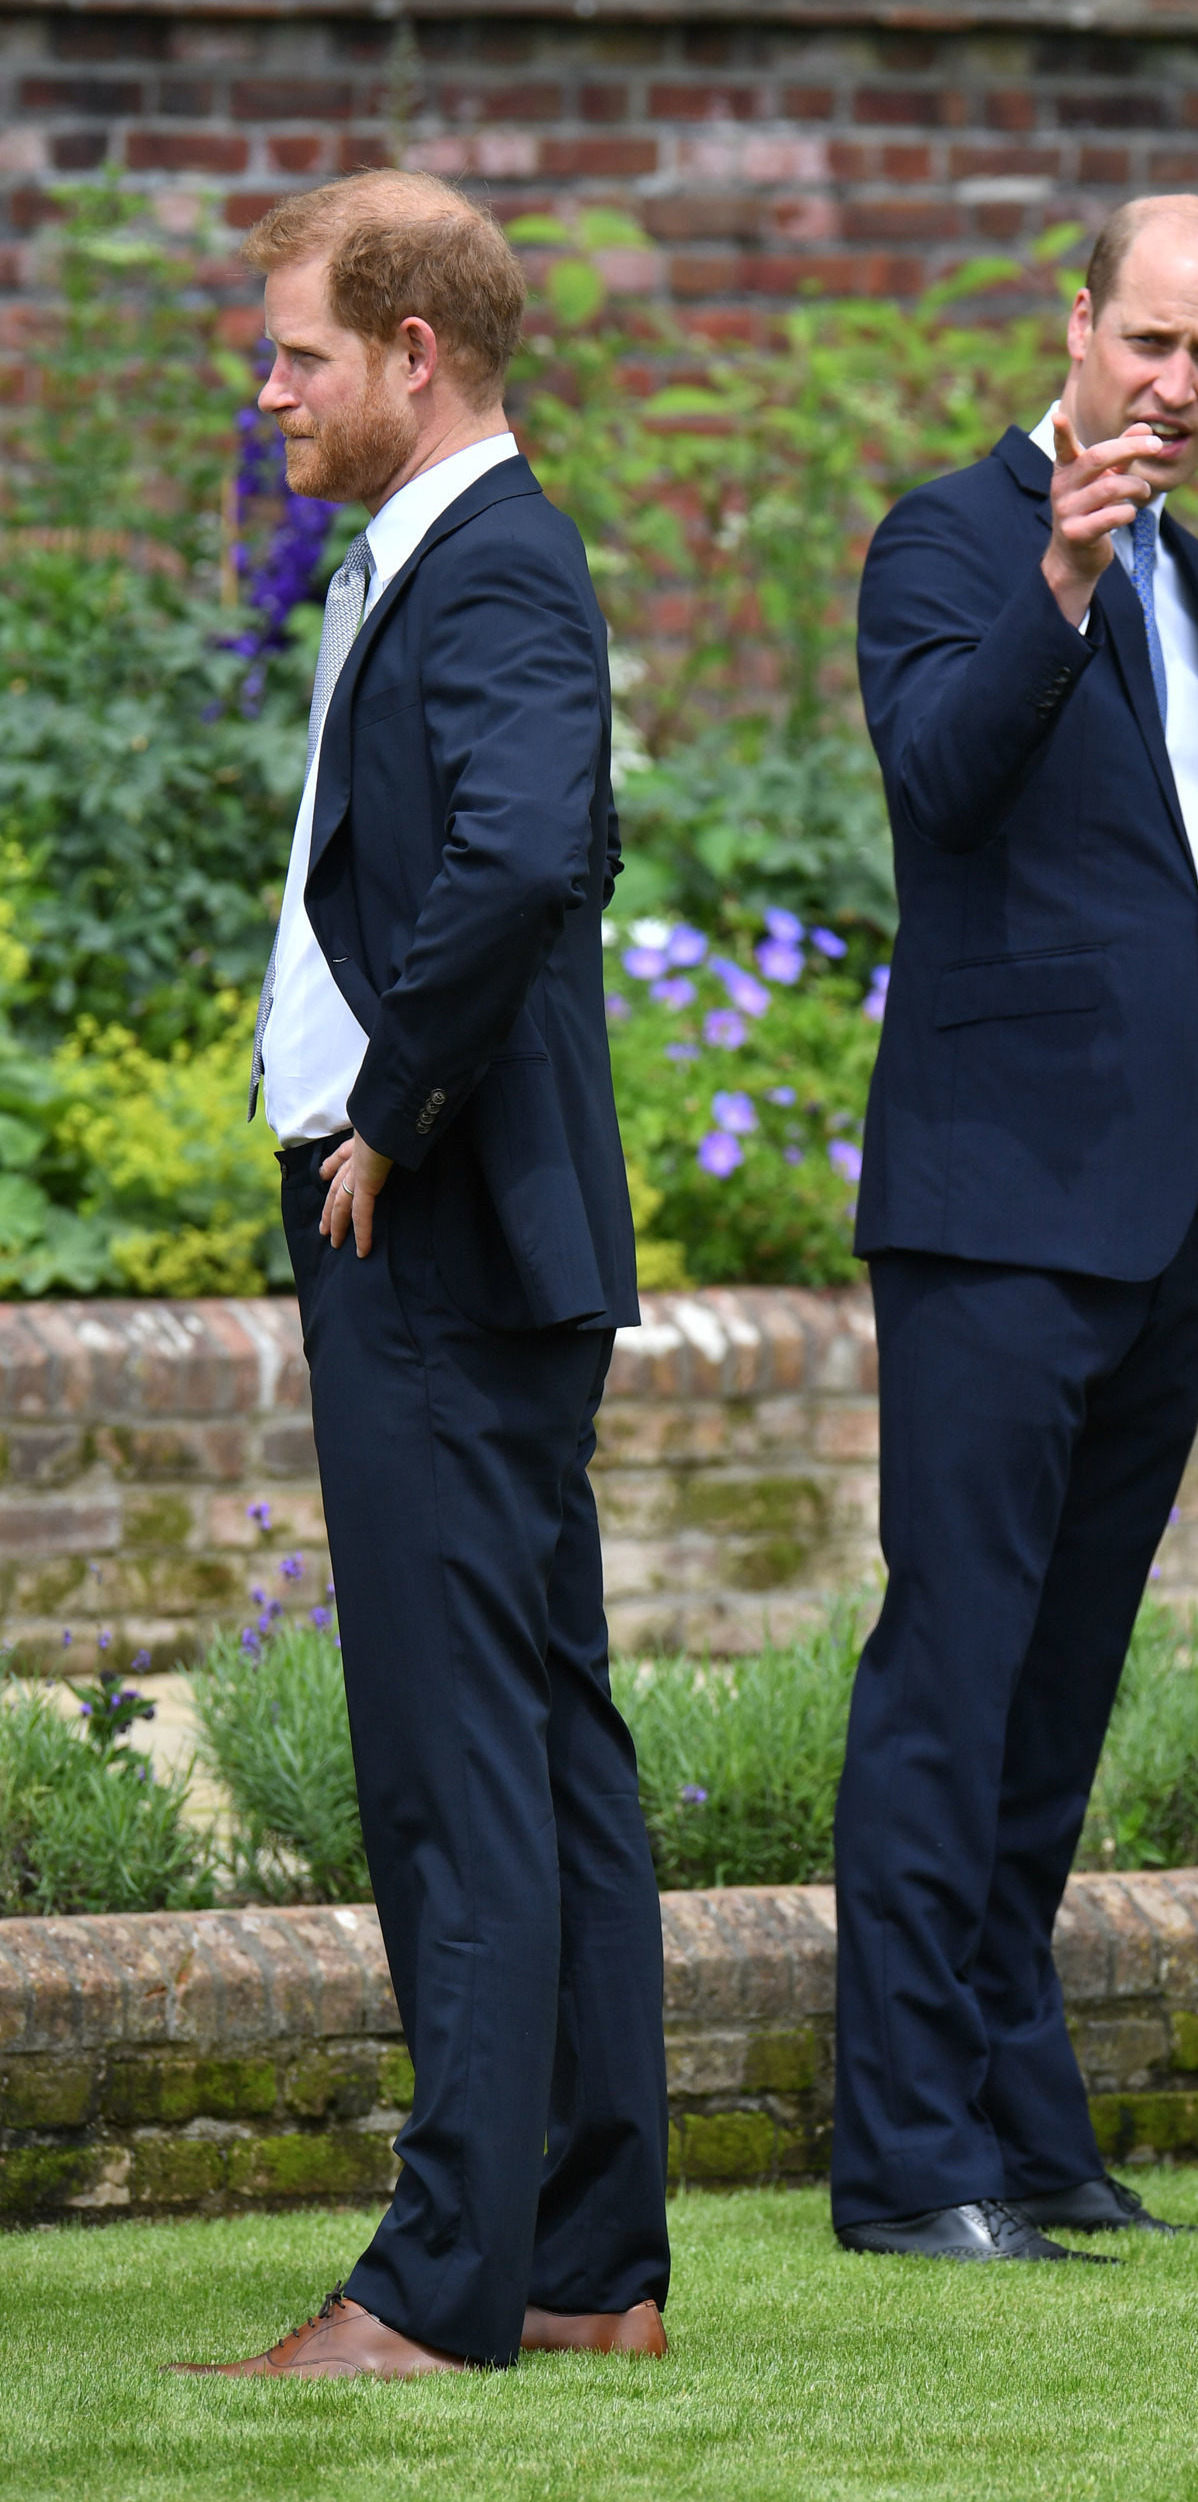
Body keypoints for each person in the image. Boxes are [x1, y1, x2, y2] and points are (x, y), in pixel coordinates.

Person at [171, 169, 671, 2377]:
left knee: (454, 1768)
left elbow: (529, 846)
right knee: (545, 1751)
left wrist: (387, 1109)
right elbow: (541, 831)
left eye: (292, 348)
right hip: (472, 1230)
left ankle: (443, 2289)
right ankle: (583, 2272)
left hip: (440, 1233)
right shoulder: (463, 560)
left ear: (410, 355)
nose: (262, 384)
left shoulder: (485, 565)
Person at [833, 194, 1198, 2263]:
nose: (1174, 388)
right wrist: (1060, 579)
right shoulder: (951, 537)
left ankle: (1019, 2122)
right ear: (1076, 321)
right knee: (953, 1672)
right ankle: (906, 2154)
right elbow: (937, 779)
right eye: (1148, 344)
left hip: (1164, 1215)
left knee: (1057, 1697)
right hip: (993, 1216)